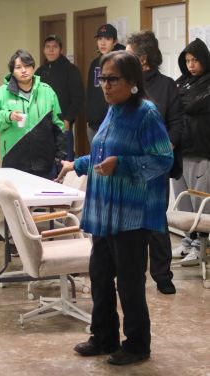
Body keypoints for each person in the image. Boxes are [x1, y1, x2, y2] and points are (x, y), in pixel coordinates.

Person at [58, 51, 173, 366]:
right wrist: (76, 164)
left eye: (113, 80)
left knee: (129, 283)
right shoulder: (113, 110)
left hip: (132, 217)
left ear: (132, 82)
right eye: (102, 79)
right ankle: (104, 337)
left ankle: (137, 345)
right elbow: (102, 154)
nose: (106, 86)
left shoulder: (146, 114)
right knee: (99, 276)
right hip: (105, 212)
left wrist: (122, 165)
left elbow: (163, 160)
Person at [126, 30, 183, 294]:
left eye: (127, 54)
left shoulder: (168, 85)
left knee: (156, 222)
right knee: (132, 222)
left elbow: (176, 124)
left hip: (157, 165)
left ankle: (162, 276)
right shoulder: (124, 83)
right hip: (129, 164)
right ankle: (133, 272)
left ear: (143, 58)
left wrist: (162, 151)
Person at [0, 49, 65, 179]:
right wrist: (8, 116)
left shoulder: (47, 92)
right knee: (15, 199)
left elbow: (59, 126)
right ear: (12, 71)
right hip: (14, 160)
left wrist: (60, 158)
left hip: (45, 162)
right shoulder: (1, 93)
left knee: (44, 198)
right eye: (18, 67)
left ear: (33, 68)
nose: (24, 70)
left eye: (27, 66)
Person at [172, 38, 210, 266]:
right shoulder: (181, 82)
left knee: (200, 203)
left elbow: (194, 104)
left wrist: (180, 101)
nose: (191, 65)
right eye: (187, 61)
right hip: (181, 152)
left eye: (195, 60)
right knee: (182, 200)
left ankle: (201, 245)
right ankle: (188, 240)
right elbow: (173, 103)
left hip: (202, 152)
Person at [35, 34, 84, 161]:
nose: (51, 50)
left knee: (64, 163)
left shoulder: (71, 70)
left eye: (54, 47)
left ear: (61, 50)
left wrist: (68, 119)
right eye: (48, 47)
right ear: (43, 50)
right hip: (43, 126)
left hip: (62, 125)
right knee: (46, 163)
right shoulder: (39, 72)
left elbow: (78, 97)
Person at [86, 24, 125, 143]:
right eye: (100, 39)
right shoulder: (94, 63)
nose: (102, 43)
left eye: (107, 39)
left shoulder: (121, 63)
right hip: (94, 125)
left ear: (114, 42)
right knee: (95, 160)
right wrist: (89, 116)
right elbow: (90, 93)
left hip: (114, 124)